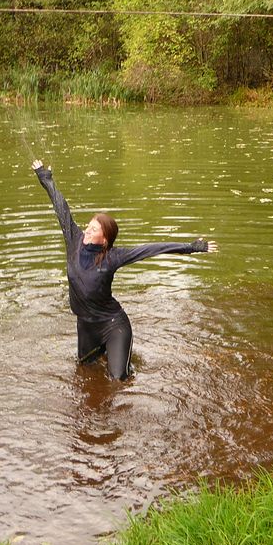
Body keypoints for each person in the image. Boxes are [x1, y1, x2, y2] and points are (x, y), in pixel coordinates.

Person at [32, 159, 217, 381]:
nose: (87, 231)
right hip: (86, 327)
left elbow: (151, 249)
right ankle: (102, 356)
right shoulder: (74, 240)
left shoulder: (113, 256)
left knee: (118, 379)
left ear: (105, 239)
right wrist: (45, 178)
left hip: (113, 325)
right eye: (89, 226)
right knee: (84, 373)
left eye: (94, 230)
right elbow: (61, 207)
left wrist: (191, 247)